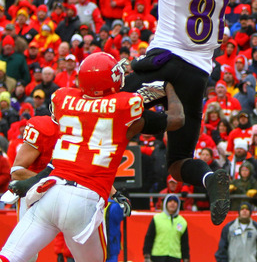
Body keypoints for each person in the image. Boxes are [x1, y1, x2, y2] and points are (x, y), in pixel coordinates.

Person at [114, 0, 240, 225]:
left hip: (163, 60)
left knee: (112, 112)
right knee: (178, 161)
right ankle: (210, 179)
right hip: (197, 71)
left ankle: (112, 182)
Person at [0, 52, 184, 262]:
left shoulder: (64, 98)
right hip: (84, 198)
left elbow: (91, 105)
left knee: (10, 257)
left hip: (50, 191)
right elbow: (177, 119)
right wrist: (169, 86)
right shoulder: (124, 108)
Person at [143, 194, 190, 262]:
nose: (172, 203)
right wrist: (147, 255)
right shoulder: (157, 218)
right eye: (170, 201)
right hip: (157, 256)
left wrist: (186, 258)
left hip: (175, 257)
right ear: (165, 204)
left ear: (178, 205)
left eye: (175, 202)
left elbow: (184, 244)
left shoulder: (182, 222)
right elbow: (149, 238)